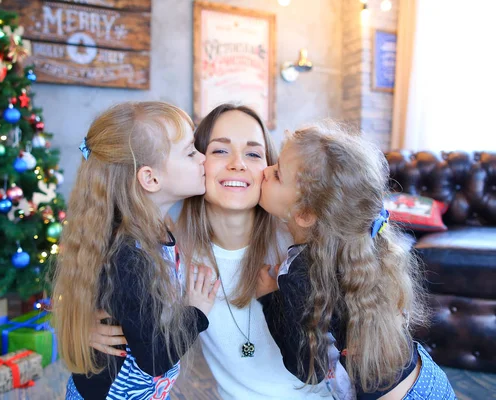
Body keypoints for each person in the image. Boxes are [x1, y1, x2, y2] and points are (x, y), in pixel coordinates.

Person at [91, 104, 331, 399]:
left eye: (254, 154)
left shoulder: (298, 249)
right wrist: (86, 324)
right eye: (220, 151)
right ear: (197, 160)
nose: (238, 164)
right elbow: (92, 271)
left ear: (271, 171)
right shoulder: (169, 253)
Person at [256, 124, 456, 399]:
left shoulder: (298, 273)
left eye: (277, 174)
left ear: (303, 214)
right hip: (430, 381)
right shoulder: (363, 246)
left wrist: (269, 298)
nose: (264, 171)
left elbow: (307, 370)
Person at [51, 101, 220, 400]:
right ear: (150, 178)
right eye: (190, 152)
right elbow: (155, 358)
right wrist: (197, 311)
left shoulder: (156, 230)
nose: (203, 158)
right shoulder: (128, 255)